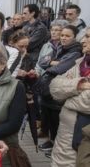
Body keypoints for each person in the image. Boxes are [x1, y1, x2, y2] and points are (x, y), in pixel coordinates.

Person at [37, 25, 83, 158]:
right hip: (48, 88)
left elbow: (60, 68)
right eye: (62, 35)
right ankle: (51, 141)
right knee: (50, 119)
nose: (63, 38)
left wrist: (51, 63)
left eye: (67, 36)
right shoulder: (58, 48)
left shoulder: (75, 52)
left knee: (58, 122)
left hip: (59, 90)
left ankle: (56, 146)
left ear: (75, 38)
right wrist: (53, 62)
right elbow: (41, 61)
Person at [48, 27, 90, 166]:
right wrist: (79, 85)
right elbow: (54, 87)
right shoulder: (80, 63)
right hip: (65, 139)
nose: (82, 40)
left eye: (88, 37)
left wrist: (69, 97)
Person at [33, 19, 69, 137]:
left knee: (53, 110)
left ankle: (52, 135)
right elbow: (41, 61)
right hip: (43, 78)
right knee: (42, 105)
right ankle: (44, 129)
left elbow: (61, 64)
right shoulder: (47, 45)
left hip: (55, 80)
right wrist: (37, 73)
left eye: (58, 30)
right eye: (52, 30)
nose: (54, 32)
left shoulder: (64, 47)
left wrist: (49, 62)